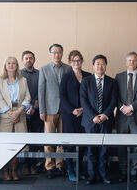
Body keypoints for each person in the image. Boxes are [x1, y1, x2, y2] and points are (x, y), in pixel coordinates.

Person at [80, 54, 117, 185]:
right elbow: (83, 101)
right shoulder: (86, 81)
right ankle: (91, 175)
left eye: (103, 64)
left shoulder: (112, 82)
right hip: (90, 121)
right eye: (97, 64)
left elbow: (114, 101)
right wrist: (94, 116)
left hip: (106, 120)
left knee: (104, 151)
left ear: (106, 66)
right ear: (93, 66)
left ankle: (104, 175)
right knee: (91, 150)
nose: (100, 66)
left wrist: (104, 115)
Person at [115, 52, 137, 183]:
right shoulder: (118, 77)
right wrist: (122, 108)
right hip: (122, 117)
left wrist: (131, 107)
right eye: (129, 61)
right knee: (121, 146)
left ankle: (135, 172)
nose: (132, 63)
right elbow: (115, 97)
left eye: (134, 61)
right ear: (125, 62)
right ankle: (124, 172)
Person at [0, 56, 31, 181]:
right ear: (5, 65)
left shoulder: (23, 80)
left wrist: (18, 112)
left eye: (14, 63)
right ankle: (5, 171)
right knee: (5, 146)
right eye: (8, 63)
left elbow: (28, 97)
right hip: (5, 116)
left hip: (20, 115)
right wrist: (11, 113)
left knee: (18, 145)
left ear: (17, 66)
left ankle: (15, 171)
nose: (11, 65)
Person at [38, 43, 71, 178]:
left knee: (62, 139)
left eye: (59, 52)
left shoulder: (68, 69)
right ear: (50, 54)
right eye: (54, 52)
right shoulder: (44, 69)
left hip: (64, 110)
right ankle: (49, 165)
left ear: (62, 54)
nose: (57, 55)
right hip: (49, 109)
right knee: (49, 139)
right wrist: (42, 110)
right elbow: (41, 91)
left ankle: (60, 164)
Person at [59, 50, 91, 181]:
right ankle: (70, 169)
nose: (76, 63)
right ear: (69, 62)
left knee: (82, 143)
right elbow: (62, 96)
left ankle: (79, 169)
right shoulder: (66, 76)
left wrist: (84, 109)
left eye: (78, 60)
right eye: (73, 61)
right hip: (70, 114)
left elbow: (91, 95)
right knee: (69, 143)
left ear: (82, 61)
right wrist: (73, 110)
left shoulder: (88, 76)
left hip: (85, 114)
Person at [21, 51, 43, 175]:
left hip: (37, 110)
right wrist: (26, 107)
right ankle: (24, 164)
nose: (28, 60)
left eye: (31, 58)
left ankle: (33, 164)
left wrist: (35, 104)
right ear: (22, 60)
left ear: (34, 59)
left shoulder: (40, 73)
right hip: (22, 111)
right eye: (26, 58)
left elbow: (42, 90)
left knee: (35, 138)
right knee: (24, 138)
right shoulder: (18, 74)